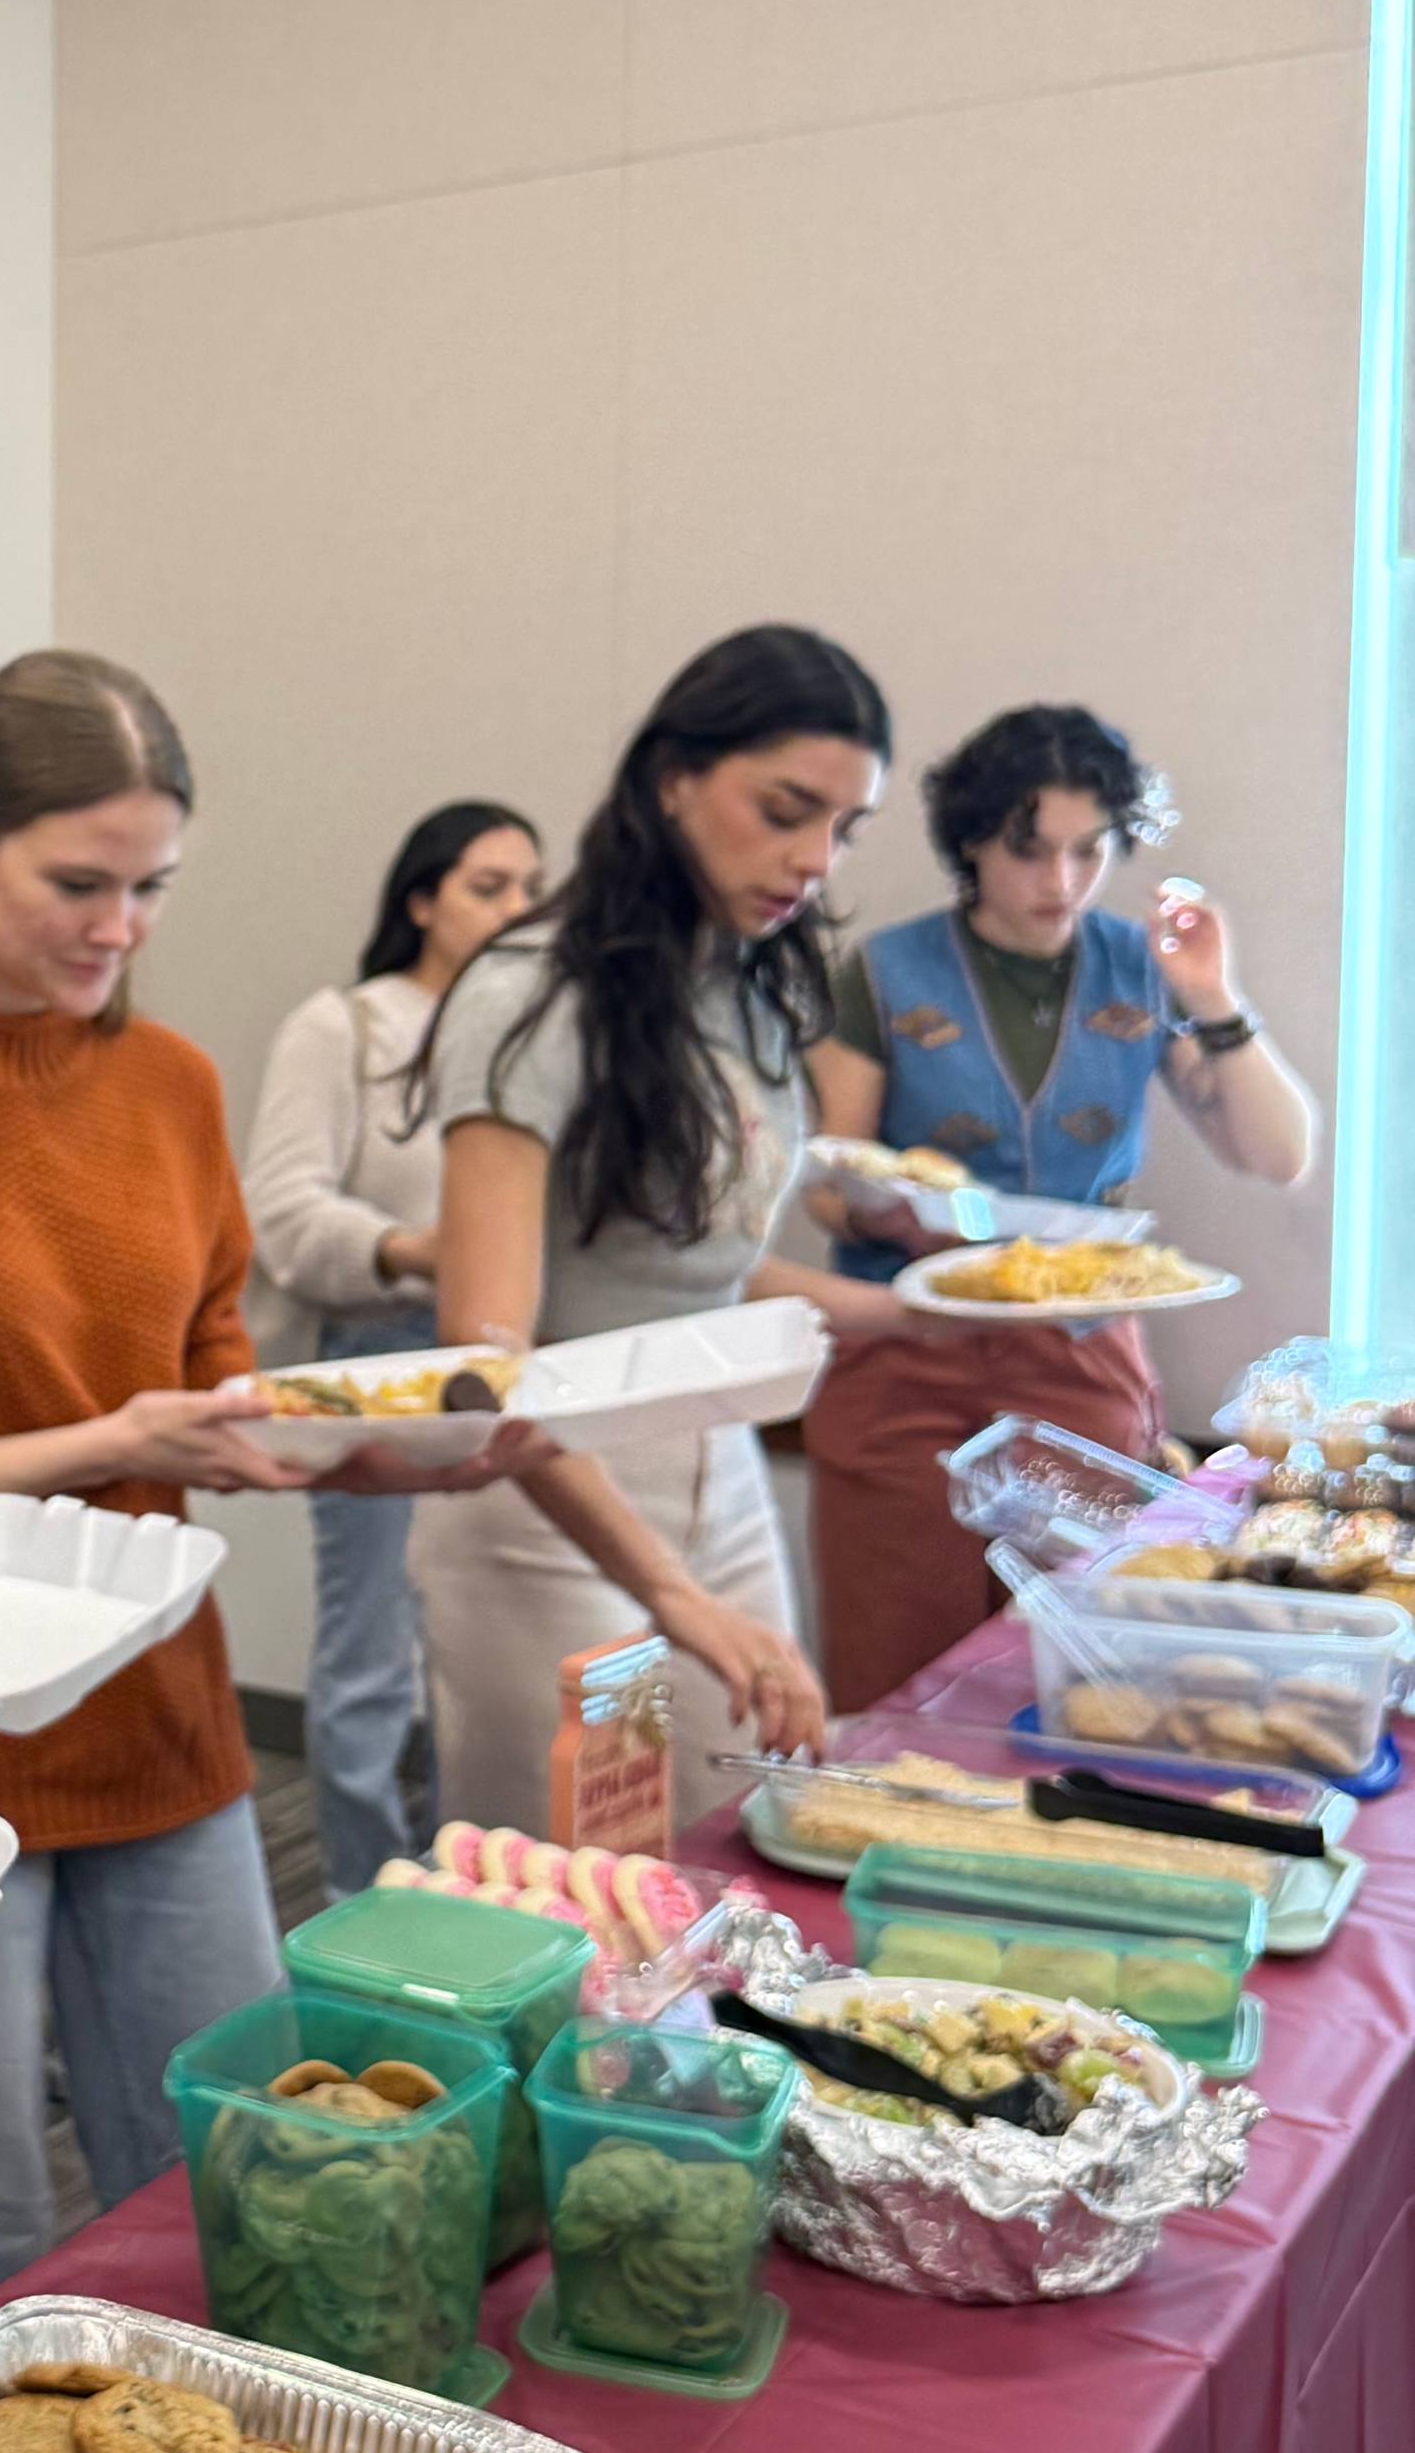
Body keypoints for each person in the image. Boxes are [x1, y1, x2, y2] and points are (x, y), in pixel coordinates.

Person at [0, 651, 537, 2353]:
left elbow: (209, 1370)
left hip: (155, 1720)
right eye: (74, 883)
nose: (116, 926)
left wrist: (378, 1441)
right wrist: (104, 1439)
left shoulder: (164, 1086)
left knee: (243, 2172)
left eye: (149, 886)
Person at [406, 626, 886, 1830]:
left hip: (710, 1473)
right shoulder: (532, 998)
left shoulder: (752, 990)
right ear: (673, 778)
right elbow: (485, 1371)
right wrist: (672, 1598)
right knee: (582, 1907)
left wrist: (908, 1317)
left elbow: (682, 1264)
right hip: (545, 1508)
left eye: (843, 827)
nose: (814, 858)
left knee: (751, 1839)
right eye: (785, 810)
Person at [803, 701, 1316, 1708]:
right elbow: (833, 1186)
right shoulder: (883, 971)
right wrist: (891, 1205)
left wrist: (1212, 998)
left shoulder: (1139, 967)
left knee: (1085, 1668)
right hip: (909, 1352)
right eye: (1030, 851)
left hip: (1080, 1358)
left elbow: (1278, 1153)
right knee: (893, 1668)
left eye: (1090, 851)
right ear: (971, 841)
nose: (1062, 883)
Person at [245, 801, 545, 1895]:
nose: (518, 911)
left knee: (482, 1656)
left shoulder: (533, 1037)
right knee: (372, 1660)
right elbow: (281, 1214)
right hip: (381, 1357)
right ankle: (362, 1899)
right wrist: (424, 1250)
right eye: (488, 886)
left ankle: (474, 1890)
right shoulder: (347, 1027)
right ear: (420, 901)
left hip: (507, 1355)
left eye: (530, 889)